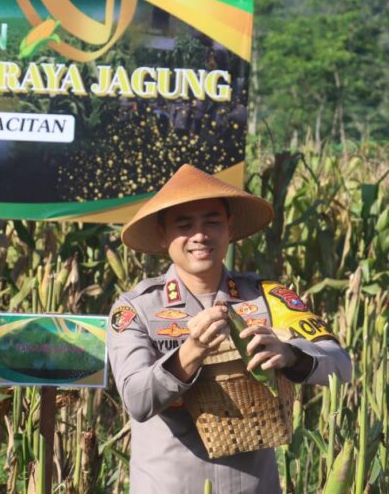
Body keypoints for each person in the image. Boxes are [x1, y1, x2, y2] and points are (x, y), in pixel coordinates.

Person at [107, 164, 351, 493]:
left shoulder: (268, 296)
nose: (200, 235)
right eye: (184, 225)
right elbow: (137, 400)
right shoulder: (136, 308)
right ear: (163, 235)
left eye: (212, 221)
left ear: (230, 227)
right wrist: (191, 352)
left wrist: (290, 355)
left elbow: (340, 364)